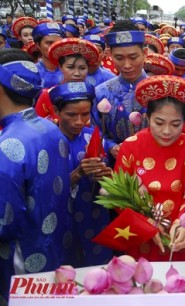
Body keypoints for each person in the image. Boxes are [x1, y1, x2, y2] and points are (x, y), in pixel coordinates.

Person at [0, 49, 73, 304]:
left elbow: (5, 222)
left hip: (20, 264)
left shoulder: (8, 146)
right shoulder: (50, 128)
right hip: (53, 252)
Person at [114, 75, 185, 261]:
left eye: (176, 124)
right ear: (147, 117)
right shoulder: (130, 146)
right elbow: (118, 196)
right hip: (140, 237)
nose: (167, 131)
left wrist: (182, 223)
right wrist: (145, 222)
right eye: (159, 123)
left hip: (178, 235)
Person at [50, 82, 117, 267]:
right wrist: (79, 173)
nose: (79, 121)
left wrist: (105, 176)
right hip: (62, 220)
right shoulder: (47, 141)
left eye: (85, 114)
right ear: (56, 111)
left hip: (93, 216)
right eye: (71, 115)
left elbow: (107, 183)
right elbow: (44, 190)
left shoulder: (93, 137)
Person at [92, 21, 148, 144]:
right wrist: (110, 147)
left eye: (133, 57)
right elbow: (93, 131)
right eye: (119, 58)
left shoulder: (158, 91)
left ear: (144, 53)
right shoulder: (101, 93)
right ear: (110, 55)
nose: (127, 65)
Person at [35, 37, 100, 123]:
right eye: (70, 67)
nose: (77, 73)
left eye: (82, 68)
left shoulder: (97, 94)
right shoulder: (47, 95)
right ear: (60, 67)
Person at [32, 22, 66, 88]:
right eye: (49, 43)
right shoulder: (32, 72)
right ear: (37, 45)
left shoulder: (71, 71)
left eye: (58, 43)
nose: (54, 47)